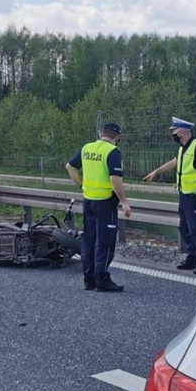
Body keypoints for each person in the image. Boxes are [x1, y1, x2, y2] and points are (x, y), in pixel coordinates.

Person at [142, 117, 196, 275]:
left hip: (195, 196)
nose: (173, 134)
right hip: (184, 195)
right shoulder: (184, 147)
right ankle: (193, 256)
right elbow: (175, 162)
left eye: (175, 131)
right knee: (185, 228)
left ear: (182, 132)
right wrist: (156, 172)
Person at [65, 122, 132, 292]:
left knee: (89, 240)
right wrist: (124, 201)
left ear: (101, 133)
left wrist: (81, 185)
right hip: (105, 202)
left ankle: (89, 279)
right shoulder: (112, 151)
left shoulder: (87, 148)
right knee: (105, 242)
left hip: (88, 200)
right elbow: (115, 179)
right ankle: (102, 279)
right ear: (117, 137)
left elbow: (70, 166)